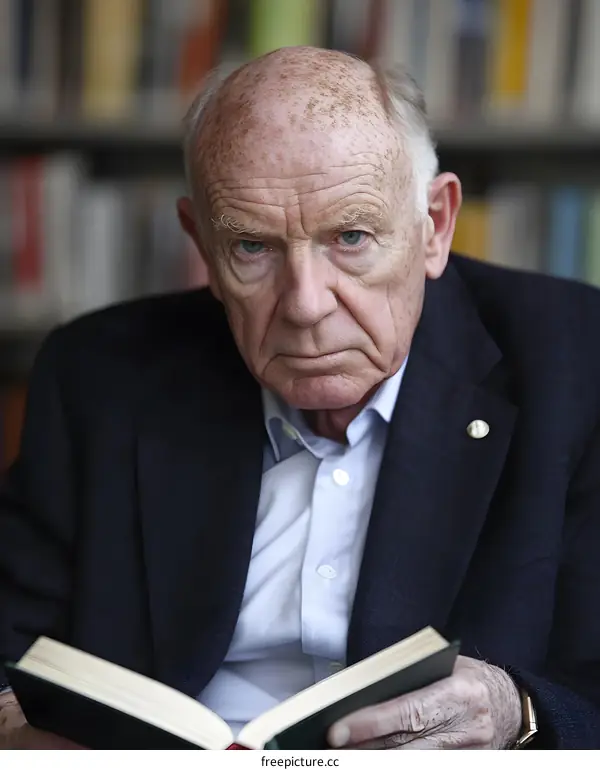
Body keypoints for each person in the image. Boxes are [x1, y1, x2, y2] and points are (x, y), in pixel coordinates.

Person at [1, 47, 600, 751]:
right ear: (201, 242)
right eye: (252, 248)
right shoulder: (101, 373)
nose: (306, 305)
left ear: (435, 224)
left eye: (350, 237)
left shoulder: (578, 363)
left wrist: (520, 711)